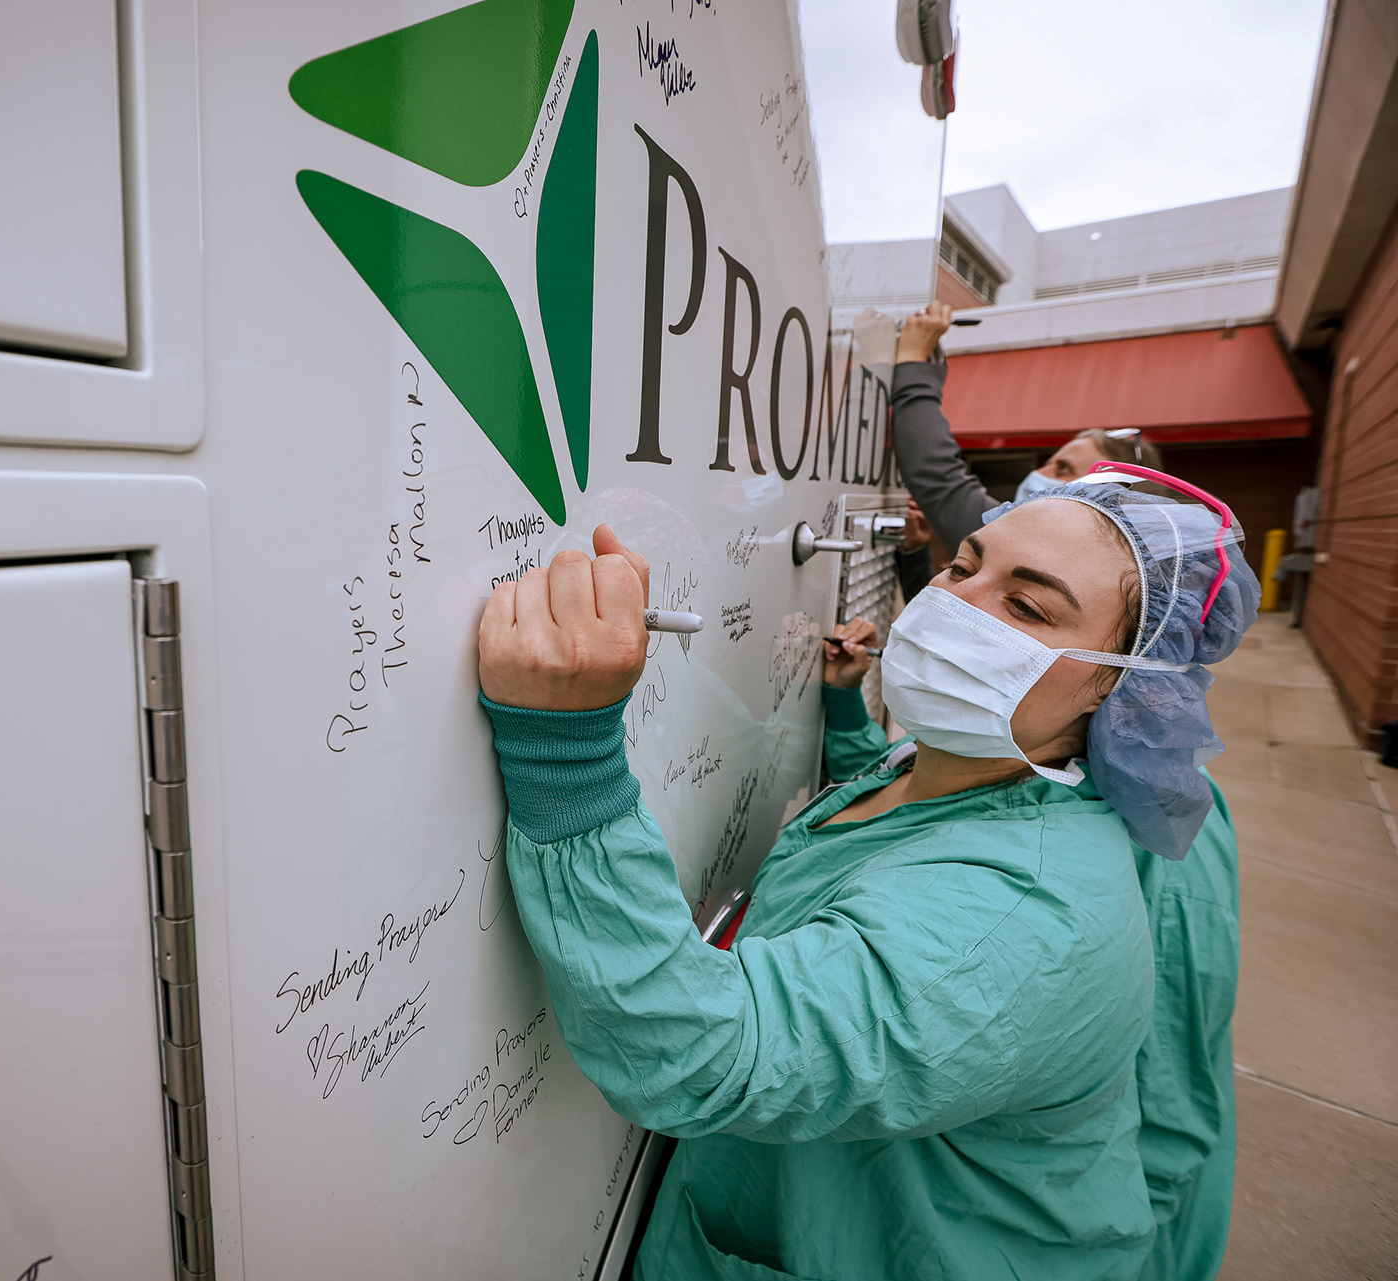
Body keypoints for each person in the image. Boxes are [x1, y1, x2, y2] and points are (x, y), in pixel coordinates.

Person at [476, 472, 1258, 1280]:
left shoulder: (1028, 916)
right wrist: (846, 710)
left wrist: (565, 752)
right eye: (963, 566)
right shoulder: (958, 761)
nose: (955, 604)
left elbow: (703, 1053)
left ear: (1120, 689)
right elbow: (898, 837)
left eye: (1026, 606)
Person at [891, 303, 1237, 1281]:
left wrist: (916, 364)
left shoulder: (1148, 849)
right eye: (964, 567)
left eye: (1077, 470)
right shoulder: (1107, 779)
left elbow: (1165, 1091)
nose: (1049, 486)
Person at [890, 301, 1165, 553]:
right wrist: (915, 552)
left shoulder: (1033, 547)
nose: (1038, 473)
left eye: (1063, 470)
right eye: (1050, 463)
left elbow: (939, 480)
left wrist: (914, 361)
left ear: (1110, 503)